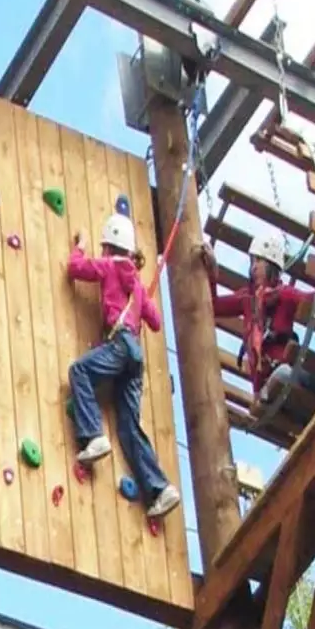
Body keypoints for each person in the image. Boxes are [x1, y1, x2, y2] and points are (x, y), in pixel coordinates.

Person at [67, 213, 181, 519]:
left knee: (80, 371)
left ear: (109, 247)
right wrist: (141, 299)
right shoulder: (138, 287)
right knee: (129, 426)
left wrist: (80, 247)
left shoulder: (109, 266)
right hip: (135, 355)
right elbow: (155, 323)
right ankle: (160, 489)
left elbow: (75, 268)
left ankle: (92, 435)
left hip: (119, 345)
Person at [194, 230, 315, 419]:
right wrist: (213, 273)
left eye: (258, 261)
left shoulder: (285, 295)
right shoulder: (248, 300)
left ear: (271, 264)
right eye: (252, 262)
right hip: (270, 383)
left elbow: (310, 300)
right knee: (281, 376)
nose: (253, 268)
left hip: (289, 372)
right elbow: (214, 306)